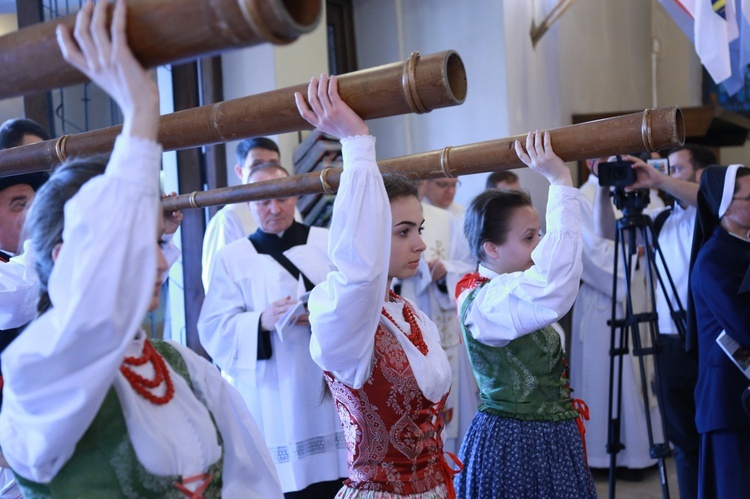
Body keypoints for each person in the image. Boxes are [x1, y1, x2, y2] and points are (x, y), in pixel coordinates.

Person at [0, 2, 283, 497]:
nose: (159, 261)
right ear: (68, 258)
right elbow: (91, 310)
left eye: (157, 242)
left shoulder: (186, 368)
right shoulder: (39, 375)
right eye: (133, 244)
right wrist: (139, 112)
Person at [297, 74, 459, 498]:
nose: (421, 243)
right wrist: (356, 142)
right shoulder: (339, 315)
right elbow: (359, 273)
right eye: (403, 231)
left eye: (418, 229)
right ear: (369, 235)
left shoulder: (409, 313)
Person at [454, 131, 594, 498]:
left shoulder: (512, 287)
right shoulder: (486, 301)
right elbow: (554, 286)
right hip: (513, 443)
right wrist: (560, 182)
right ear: (491, 248)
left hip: (552, 439)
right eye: (530, 236)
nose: (539, 244)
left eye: (539, 234)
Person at [197, 161, 348, 497]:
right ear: (249, 204)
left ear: (295, 195)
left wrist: (319, 313)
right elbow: (212, 327)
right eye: (263, 201)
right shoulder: (231, 257)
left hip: (321, 382)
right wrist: (259, 322)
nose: (274, 209)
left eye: (281, 198)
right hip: (272, 388)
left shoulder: (327, 243)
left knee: (333, 482)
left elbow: (354, 304)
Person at [596, 145, 713, 499]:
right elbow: (611, 235)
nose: (667, 174)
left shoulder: (710, 211)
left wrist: (657, 178)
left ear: (700, 173)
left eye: (676, 168)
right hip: (665, 340)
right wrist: (604, 192)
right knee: (682, 441)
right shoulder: (662, 218)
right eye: (667, 169)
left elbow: (707, 198)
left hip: (703, 339)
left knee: (712, 435)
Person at [569, 155, 663, 478]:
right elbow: (589, 252)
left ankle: (644, 451)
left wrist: (639, 249)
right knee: (609, 376)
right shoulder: (581, 197)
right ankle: (606, 456)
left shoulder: (637, 186)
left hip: (640, 292)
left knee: (644, 368)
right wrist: (631, 254)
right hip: (602, 302)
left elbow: (655, 232)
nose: (603, 161)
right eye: (595, 156)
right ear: (587, 161)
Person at [396, 182, 477, 455]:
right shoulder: (388, 216)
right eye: (442, 184)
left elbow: (468, 264)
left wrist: (447, 270)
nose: (450, 190)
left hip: (439, 316)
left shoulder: (448, 218)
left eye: (455, 184)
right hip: (401, 311)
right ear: (425, 185)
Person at [688, 164, 750, 498]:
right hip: (728, 397)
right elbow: (744, 325)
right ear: (726, 205)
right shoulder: (714, 259)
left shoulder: (742, 247)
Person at [201, 137, 281, 290]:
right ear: (240, 171)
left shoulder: (290, 207)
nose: (265, 173)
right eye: (257, 165)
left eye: (272, 165)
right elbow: (216, 288)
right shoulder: (228, 219)